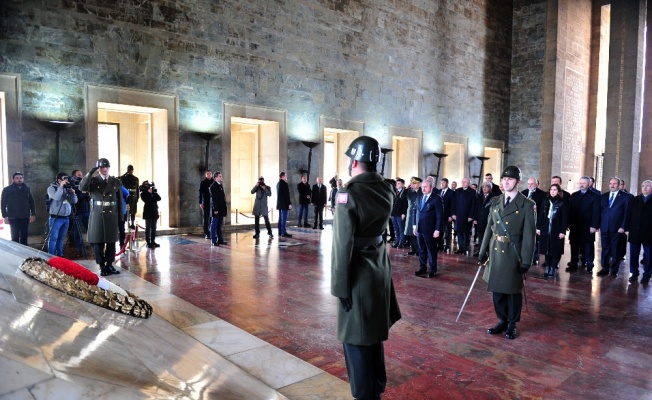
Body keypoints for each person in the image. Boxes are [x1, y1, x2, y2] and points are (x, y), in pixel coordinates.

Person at [330, 136, 401, 400]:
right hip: (379, 269)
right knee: (372, 336)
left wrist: (340, 287)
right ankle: (376, 389)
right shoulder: (387, 189)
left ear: (355, 160)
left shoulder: (348, 194)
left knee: (355, 338)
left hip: (356, 273)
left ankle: (365, 394)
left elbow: (341, 245)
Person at [478, 165, 536, 340]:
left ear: (517, 182)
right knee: (497, 290)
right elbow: (489, 228)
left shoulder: (527, 205)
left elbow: (529, 235)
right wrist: (483, 251)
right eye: (503, 179)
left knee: (512, 291)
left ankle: (512, 323)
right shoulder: (496, 202)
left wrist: (526, 260)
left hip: (513, 253)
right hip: (496, 252)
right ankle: (502, 319)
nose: (506, 182)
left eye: (509, 179)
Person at [80, 158, 124, 277]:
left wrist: (121, 217)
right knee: (98, 242)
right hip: (98, 214)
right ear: (98, 169)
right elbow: (82, 187)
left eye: (106, 167)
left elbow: (120, 200)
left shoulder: (115, 181)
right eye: (102, 167)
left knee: (111, 242)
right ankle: (102, 266)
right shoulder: (93, 181)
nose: (105, 169)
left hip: (112, 214)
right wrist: (90, 173)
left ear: (109, 168)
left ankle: (110, 264)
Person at [597, 178, 631, 277]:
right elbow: (599, 212)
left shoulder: (626, 197)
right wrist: (598, 225)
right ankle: (604, 268)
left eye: (614, 184)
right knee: (605, 248)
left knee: (616, 249)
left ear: (619, 185)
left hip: (618, 228)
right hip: (604, 227)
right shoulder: (603, 196)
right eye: (610, 183)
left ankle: (614, 269)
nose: (612, 185)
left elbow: (627, 213)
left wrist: (623, 227)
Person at [567, 176, 601, 273]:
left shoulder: (595, 196)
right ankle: (573, 263)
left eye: (584, 183)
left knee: (588, 246)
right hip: (575, 225)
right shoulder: (574, 195)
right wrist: (568, 224)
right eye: (580, 183)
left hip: (588, 226)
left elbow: (596, 212)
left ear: (589, 184)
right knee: (574, 245)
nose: (581, 185)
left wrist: (594, 226)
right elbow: (570, 210)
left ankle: (590, 265)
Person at [413, 179, 443, 278]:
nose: (423, 189)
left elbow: (439, 216)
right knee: (421, 249)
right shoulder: (419, 197)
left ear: (431, 188)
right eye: (422, 187)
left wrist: (437, 229)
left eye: (426, 187)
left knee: (431, 250)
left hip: (430, 229)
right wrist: (414, 226)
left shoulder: (437, 198)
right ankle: (422, 267)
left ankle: (432, 270)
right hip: (419, 228)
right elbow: (415, 212)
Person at [537, 183, 569, 277]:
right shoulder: (545, 201)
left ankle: (553, 267)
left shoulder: (563, 202)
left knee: (556, 249)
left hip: (557, 228)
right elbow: (541, 216)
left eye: (555, 190)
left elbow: (565, 218)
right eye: (551, 190)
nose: (553, 191)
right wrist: (538, 227)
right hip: (546, 227)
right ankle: (547, 267)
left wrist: (562, 231)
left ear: (558, 192)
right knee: (547, 248)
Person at [624, 180, 652, 284]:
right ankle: (634, 273)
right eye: (643, 186)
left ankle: (647, 274)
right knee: (633, 254)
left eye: (648, 186)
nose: (645, 188)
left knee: (649, 255)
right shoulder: (635, 200)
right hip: (635, 231)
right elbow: (628, 215)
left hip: (649, 232)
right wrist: (626, 228)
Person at [46, 173, 78, 256]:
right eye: (65, 180)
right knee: (53, 238)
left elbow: (74, 201)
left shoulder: (67, 188)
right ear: (59, 180)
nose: (67, 182)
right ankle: (51, 256)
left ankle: (60, 254)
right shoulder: (51, 188)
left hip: (66, 218)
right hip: (55, 218)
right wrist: (61, 187)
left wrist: (73, 193)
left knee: (61, 238)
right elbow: (56, 197)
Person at [1, 172, 36, 245]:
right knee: (15, 236)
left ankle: (24, 252)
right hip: (13, 216)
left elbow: (31, 202)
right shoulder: (7, 189)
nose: (19, 179)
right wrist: (5, 216)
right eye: (17, 178)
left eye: (20, 178)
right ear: (13, 179)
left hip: (25, 216)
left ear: (23, 179)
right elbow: (3, 203)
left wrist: (33, 214)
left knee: (24, 235)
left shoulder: (27, 189)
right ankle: (15, 253)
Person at [521, 177, 546, 265]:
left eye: (532, 183)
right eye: (528, 184)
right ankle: (524, 256)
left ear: (536, 184)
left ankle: (534, 257)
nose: (530, 185)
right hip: (524, 219)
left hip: (536, 219)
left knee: (535, 239)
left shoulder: (542, 194)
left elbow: (543, 209)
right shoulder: (523, 193)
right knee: (524, 238)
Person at [451, 177, 477, 254]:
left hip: (467, 216)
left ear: (468, 183)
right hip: (458, 215)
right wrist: (453, 213)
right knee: (459, 232)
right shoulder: (458, 191)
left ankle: (465, 247)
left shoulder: (472, 192)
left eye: (465, 182)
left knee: (465, 232)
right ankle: (460, 248)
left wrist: (471, 216)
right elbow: (454, 203)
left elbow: (473, 205)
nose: (463, 183)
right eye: (462, 182)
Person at [71, 169, 90, 256]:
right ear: (74, 176)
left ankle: (94, 246)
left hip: (86, 211)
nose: (81, 177)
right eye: (79, 175)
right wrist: (84, 193)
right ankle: (79, 249)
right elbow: (77, 197)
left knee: (90, 229)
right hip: (77, 211)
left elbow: (89, 198)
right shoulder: (72, 185)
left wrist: (88, 194)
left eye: (81, 175)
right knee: (77, 231)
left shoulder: (85, 184)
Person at [473, 182, 496, 257]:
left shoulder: (493, 197)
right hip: (479, 220)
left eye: (486, 187)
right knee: (480, 236)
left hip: (488, 220)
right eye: (483, 187)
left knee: (488, 237)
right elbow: (476, 208)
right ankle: (480, 251)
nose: (484, 188)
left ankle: (487, 252)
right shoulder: (479, 196)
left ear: (490, 188)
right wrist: (475, 218)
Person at [404, 177, 422, 256]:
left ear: (419, 184)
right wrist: (407, 188)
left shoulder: (421, 191)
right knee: (411, 233)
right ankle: (413, 249)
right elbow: (402, 197)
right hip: (410, 213)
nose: (413, 185)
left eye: (414, 184)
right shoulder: (410, 191)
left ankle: (419, 250)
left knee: (417, 233)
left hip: (418, 214)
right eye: (412, 183)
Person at [140, 181, 161, 248]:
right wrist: (149, 193)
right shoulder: (143, 193)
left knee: (154, 228)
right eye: (146, 185)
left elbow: (159, 198)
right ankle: (148, 242)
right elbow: (147, 200)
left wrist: (154, 192)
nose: (148, 186)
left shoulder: (153, 192)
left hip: (154, 212)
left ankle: (153, 241)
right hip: (148, 212)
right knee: (148, 228)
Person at [210, 171, 228, 246]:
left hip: (221, 208)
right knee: (214, 225)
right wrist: (216, 209)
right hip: (216, 209)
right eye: (220, 176)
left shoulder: (220, 185)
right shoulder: (213, 186)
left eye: (221, 176)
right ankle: (213, 240)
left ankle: (220, 239)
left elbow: (222, 196)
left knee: (219, 225)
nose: (221, 177)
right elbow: (214, 199)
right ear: (216, 178)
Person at [119, 165, 139, 229]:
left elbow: (137, 189)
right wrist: (126, 173)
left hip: (133, 197)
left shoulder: (136, 179)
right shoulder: (124, 178)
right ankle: (127, 223)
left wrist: (137, 197)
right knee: (127, 211)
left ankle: (132, 223)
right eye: (129, 170)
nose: (130, 171)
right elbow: (120, 178)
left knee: (133, 211)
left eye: (131, 170)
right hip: (127, 197)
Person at [391, 178, 408, 248]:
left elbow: (405, 204)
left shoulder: (405, 192)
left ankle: (401, 242)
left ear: (403, 184)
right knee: (396, 229)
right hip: (394, 213)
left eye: (398, 183)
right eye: (396, 183)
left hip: (400, 213)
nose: (397, 185)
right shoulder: (395, 191)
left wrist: (404, 213)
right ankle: (397, 241)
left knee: (401, 229)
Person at [439, 178, 455, 252]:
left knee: (447, 231)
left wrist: (451, 215)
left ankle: (447, 245)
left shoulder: (451, 192)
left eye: (443, 183)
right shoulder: (439, 192)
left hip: (447, 215)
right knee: (439, 230)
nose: (442, 184)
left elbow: (453, 205)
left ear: (447, 183)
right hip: (439, 215)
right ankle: (440, 245)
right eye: (441, 183)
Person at [276, 172, 293, 238]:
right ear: (282, 176)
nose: (286, 177)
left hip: (280, 204)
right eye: (285, 176)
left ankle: (280, 231)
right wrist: (289, 203)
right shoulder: (284, 184)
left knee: (280, 218)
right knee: (284, 218)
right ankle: (283, 232)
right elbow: (286, 195)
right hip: (284, 204)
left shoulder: (278, 184)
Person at [198, 170, 213, 239]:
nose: (209, 175)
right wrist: (200, 202)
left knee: (212, 218)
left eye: (210, 174)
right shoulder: (203, 183)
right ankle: (206, 233)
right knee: (206, 218)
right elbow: (200, 193)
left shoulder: (214, 182)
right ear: (205, 175)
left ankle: (211, 232)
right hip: (206, 203)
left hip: (213, 203)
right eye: (208, 174)